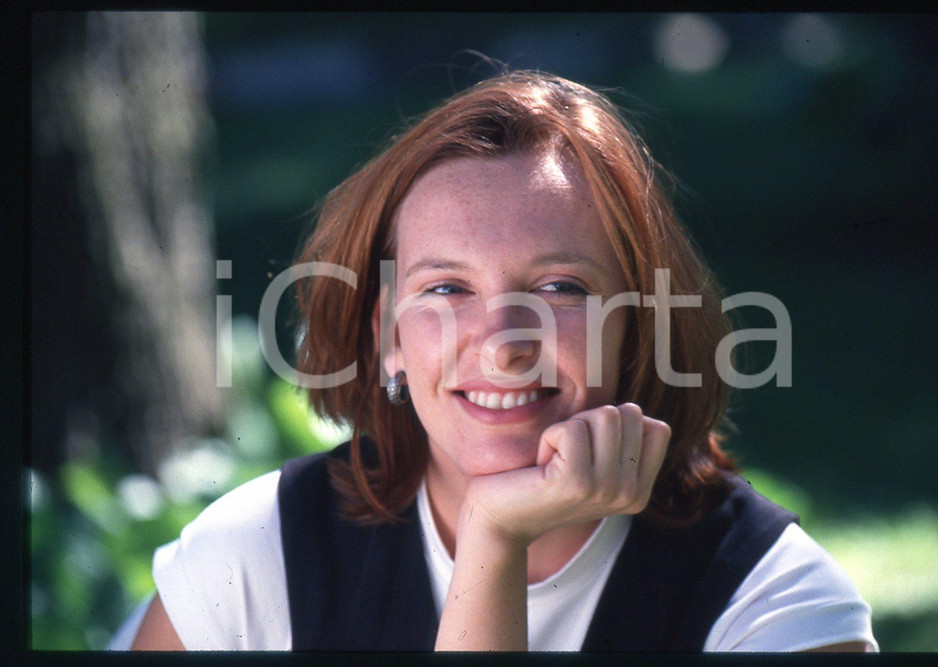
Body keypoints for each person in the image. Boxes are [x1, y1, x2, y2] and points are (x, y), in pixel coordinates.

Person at [124, 70, 877, 652]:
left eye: (559, 286)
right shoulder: (254, 559)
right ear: (389, 336)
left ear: (641, 324)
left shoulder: (771, 604)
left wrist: (492, 535)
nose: (501, 341)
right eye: (446, 288)